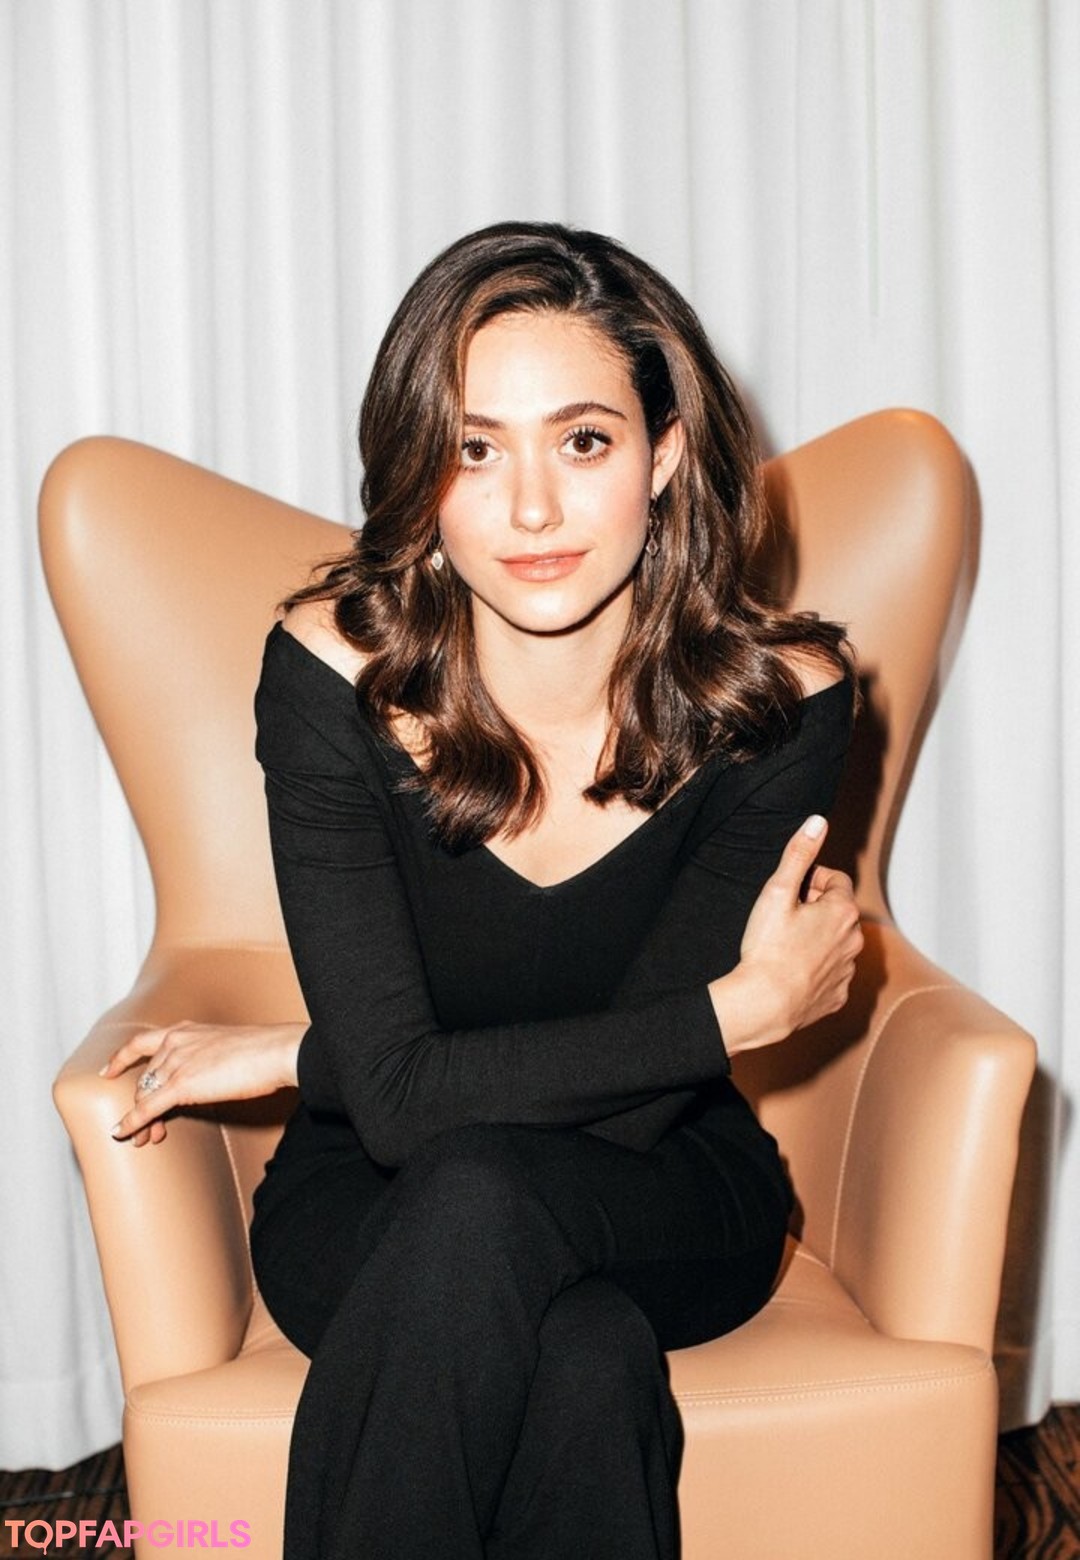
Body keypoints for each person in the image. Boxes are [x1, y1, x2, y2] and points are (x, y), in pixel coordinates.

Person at [104, 222, 863, 1560]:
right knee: (581, 1355)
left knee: (483, 1195)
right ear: (420, 470)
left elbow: (631, 1109)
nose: (530, 511)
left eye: (584, 442)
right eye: (474, 448)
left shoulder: (778, 705)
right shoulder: (332, 676)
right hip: (369, 1188)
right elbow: (399, 1111)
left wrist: (307, 1057)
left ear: (666, 454)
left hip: (666, 1185)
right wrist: (737, 1016)